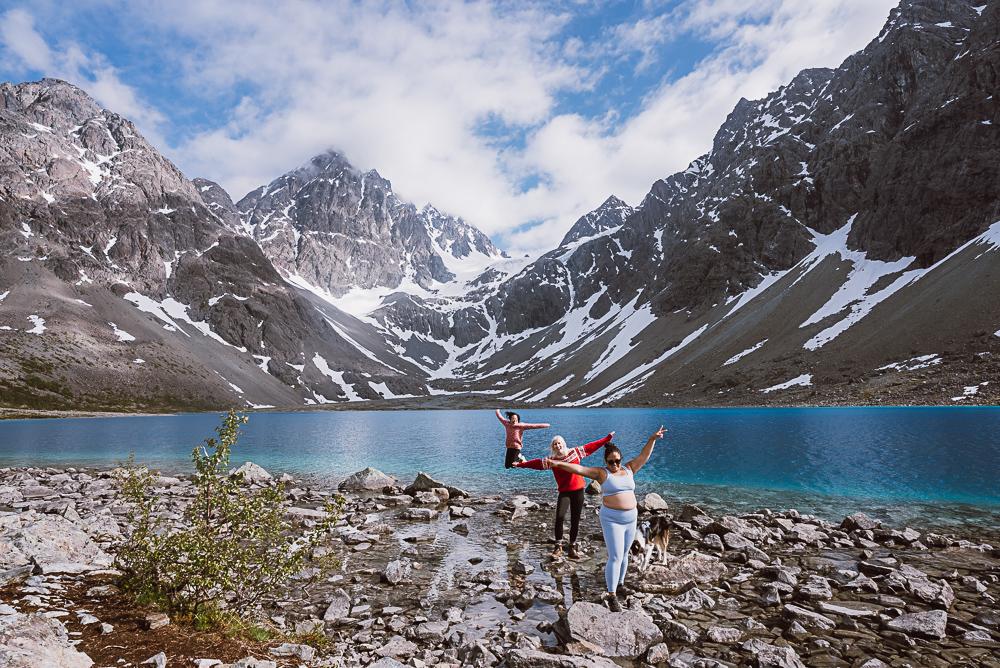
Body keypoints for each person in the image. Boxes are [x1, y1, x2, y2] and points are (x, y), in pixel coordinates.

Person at [548, 425, 667, 611]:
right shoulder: (601, 473)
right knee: (615, 556)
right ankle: (611, 595)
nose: (615, 464)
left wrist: (652, 439)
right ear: (606, 461)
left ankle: (620, 585)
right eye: (611, 462)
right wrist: (557, 463)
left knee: (626, 554)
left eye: (617, 461)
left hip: (631, 518)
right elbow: (578, 468)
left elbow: (644, 456)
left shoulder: (628, 469)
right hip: (612, 519)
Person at [514, 431, 614, 559]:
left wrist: (607, 439)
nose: (557, 446)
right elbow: (536, 464)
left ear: (564, 444)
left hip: (578, 491)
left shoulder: (575, 452)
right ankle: (558, 546)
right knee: (560, 517)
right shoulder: (552, 460)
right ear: (553, 447)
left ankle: (572, 547)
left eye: (559, 443)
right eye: (555, 444)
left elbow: (591, 446)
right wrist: (521, 465)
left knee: (575, 520)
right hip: (564, 492)